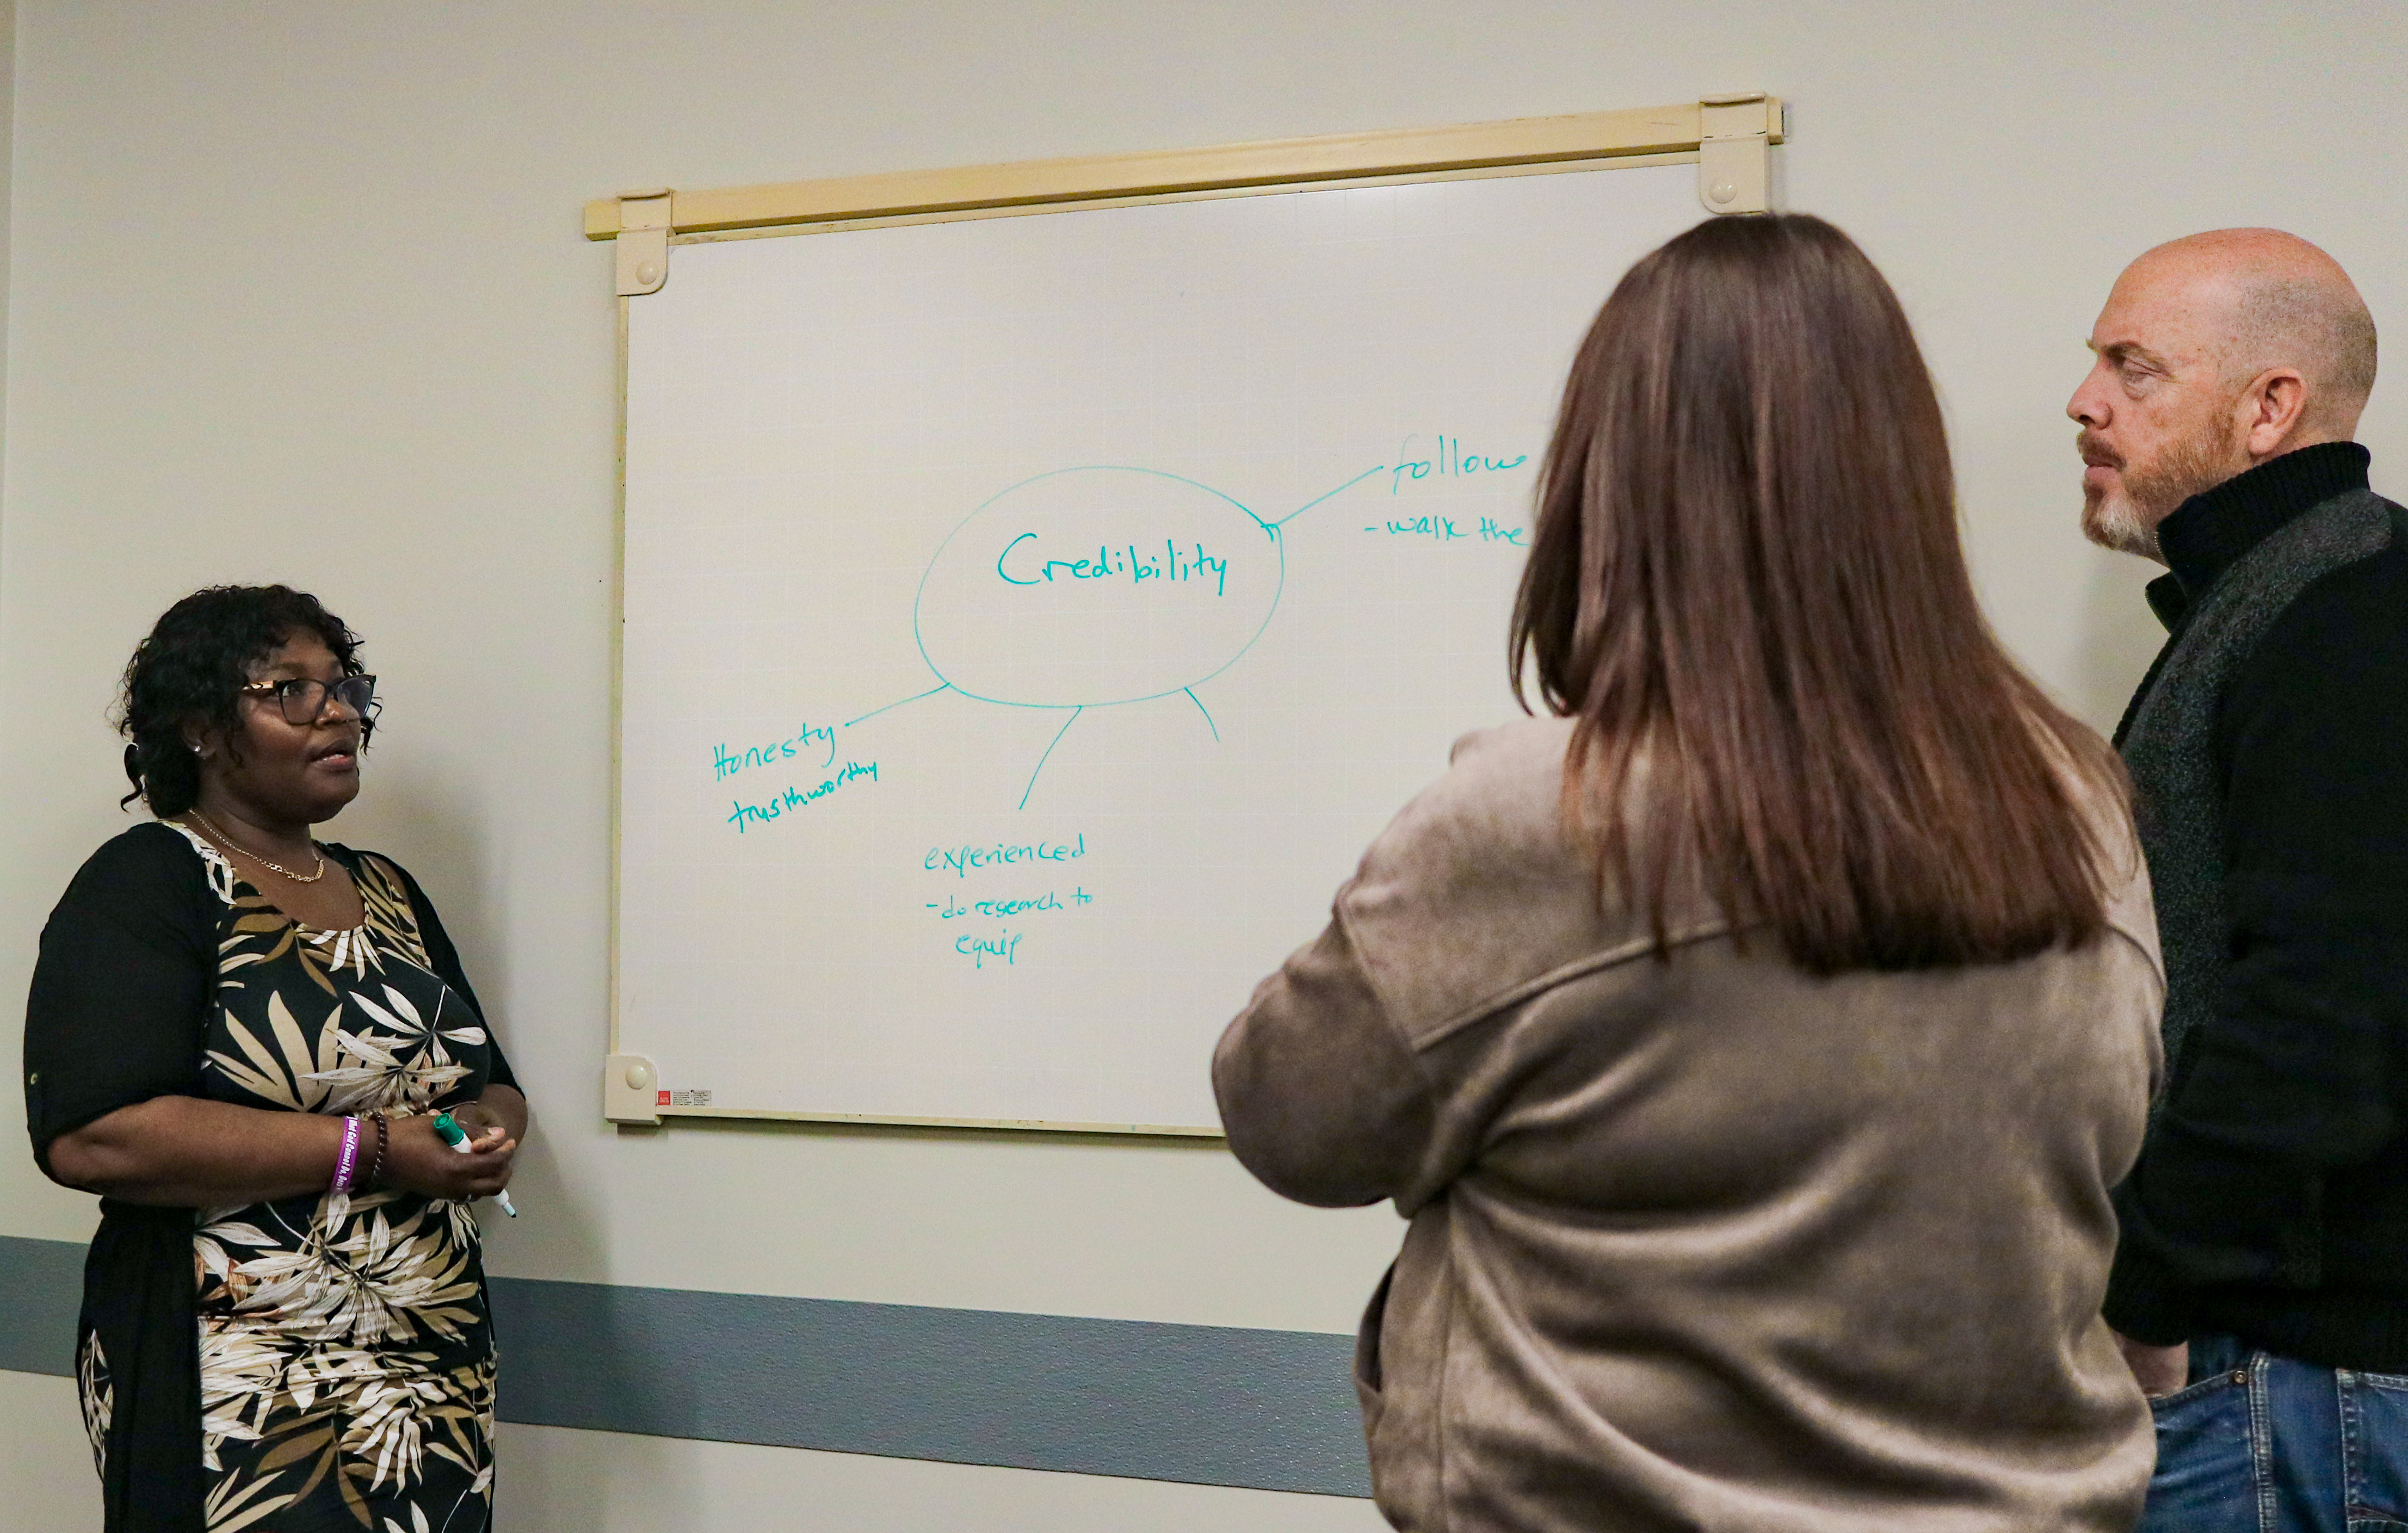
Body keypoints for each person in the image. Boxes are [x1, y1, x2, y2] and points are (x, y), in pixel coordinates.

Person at [1213, 213, 2166, 1532]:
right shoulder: (2071, 802)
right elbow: (2104, 1155)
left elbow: (1290, 1120)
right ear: (1899, 480)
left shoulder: (1538, 812)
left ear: (1610, 480)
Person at [22, 585, 526, 1533]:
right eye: (289, 690)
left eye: (344, 686)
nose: (338, 711)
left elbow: (485, 1077)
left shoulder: (389, 891)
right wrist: (376, 1150)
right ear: (202, 728)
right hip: (238, 1379)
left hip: (427, 1371)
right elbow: (96, 1136)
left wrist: (485, 1133)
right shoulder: (148, 883)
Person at [2068, 230, 2407, 1530]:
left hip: (2300, 1385)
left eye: (2129, 366)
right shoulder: (2270, 597)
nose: (2081, 400)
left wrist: (2142, 1285)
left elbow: (2331, 1012)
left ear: (2268, 407)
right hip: (2282, 1375)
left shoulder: (2349, 612)